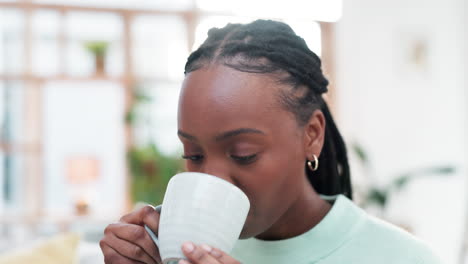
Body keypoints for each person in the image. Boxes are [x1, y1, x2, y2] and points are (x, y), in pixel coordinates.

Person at [100, 19, 441, 264]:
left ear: (312, 135)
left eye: (243, 154)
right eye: (194, 154)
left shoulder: (403, 257)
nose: (210, 178)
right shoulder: (174, 253)